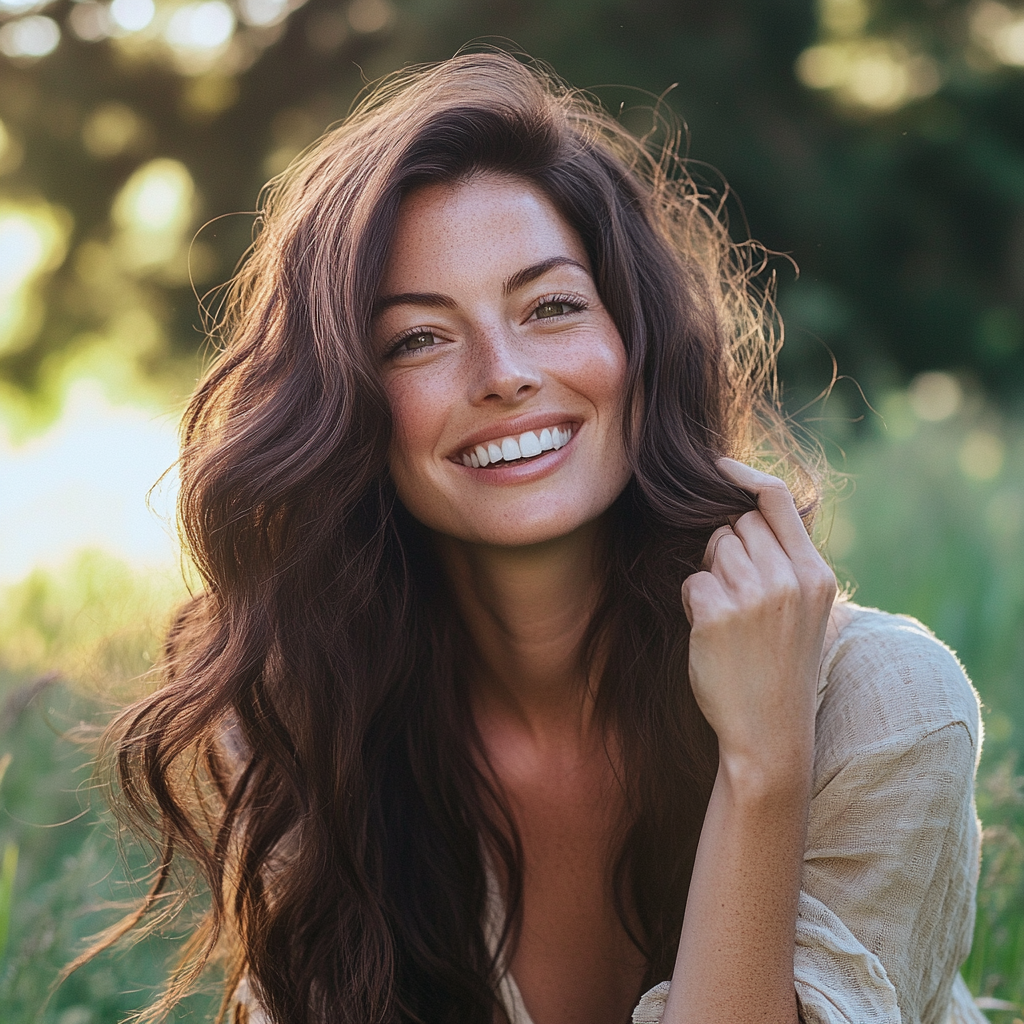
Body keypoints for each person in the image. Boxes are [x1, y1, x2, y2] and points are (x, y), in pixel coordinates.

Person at [94, 52, 985, 1024]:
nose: (503, 372)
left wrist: (762, 762)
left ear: (635, 345)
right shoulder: (307, 724)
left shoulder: (887, 706)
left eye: (551, 306)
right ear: (347, 408)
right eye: (418, 338)